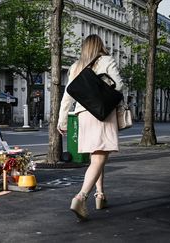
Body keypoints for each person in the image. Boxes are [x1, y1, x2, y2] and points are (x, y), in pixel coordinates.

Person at [57, 34, 125, 220]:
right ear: (100, 46)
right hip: (102, 113)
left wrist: (62, 120)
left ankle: (100, 195)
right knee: (99, 158)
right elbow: (118, 86)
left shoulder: (76, 66)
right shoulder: (106, 60)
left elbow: (68, 95)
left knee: (97, 156)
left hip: (83, 115)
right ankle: (81, 198)